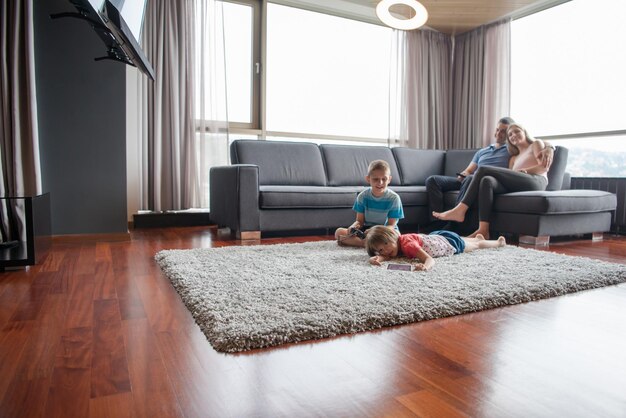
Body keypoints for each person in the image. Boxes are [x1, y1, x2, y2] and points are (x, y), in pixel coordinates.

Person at [424, 117, 554, 233]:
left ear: (524, 131)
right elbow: (509, 175)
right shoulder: (513, 156)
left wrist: (550, 147)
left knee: (482, 171)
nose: (512, 135)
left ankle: (459, 211)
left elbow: (543, 164)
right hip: (491, 179)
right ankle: (483, 230)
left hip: (534, 179)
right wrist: (464, 173)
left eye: (515, 131)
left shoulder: (528, 146)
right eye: (510, 134)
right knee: (486, 180)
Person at [365, 225, 506, 272]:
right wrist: (378, 258)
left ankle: (497, 243)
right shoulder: (396, 245)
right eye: (380, 250)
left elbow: (429, 258)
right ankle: (476, 238)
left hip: (447, 243)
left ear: (393, 236)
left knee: (476, 246)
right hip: (434, 237)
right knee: (465, 239)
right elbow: (390, 255)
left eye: (386, 244)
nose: (385, 250)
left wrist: (425, 266)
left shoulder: (408, 245)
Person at [335, 159, 404, 248]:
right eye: (376, 179)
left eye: (384, 179)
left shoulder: (394, 198)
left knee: (396, 239)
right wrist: (353, 227)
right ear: (368, 179)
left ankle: (364, 243)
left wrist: (374, 231)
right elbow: (359, 221)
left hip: (385, 231)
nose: (380, 183)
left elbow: (391, 225)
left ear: (389, 179)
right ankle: (370, 244)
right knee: (339, 232)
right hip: (366, 231)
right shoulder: (362, 196)